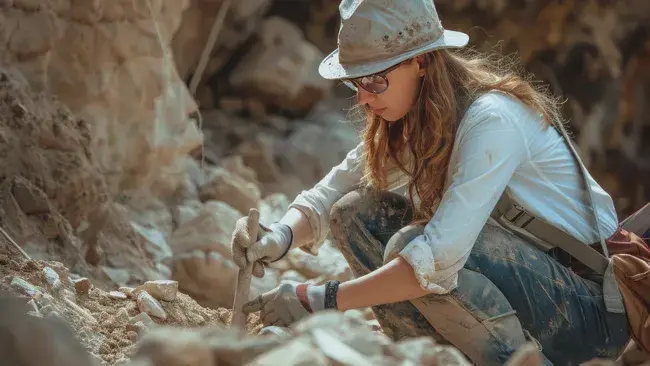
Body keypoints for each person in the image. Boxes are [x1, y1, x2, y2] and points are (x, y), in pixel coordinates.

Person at [231, 0, 631, 364]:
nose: (363, 98)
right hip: (526, 285)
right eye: (356, 83)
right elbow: (333, 191)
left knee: (416, 248)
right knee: (354, 214)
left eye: (374, 81)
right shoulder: (418, 119)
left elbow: (439, 259)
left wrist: (319, 299)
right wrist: (278, 238)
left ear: (420, 62)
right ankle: (435, 354)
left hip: (592, 314)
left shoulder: (492, 120)